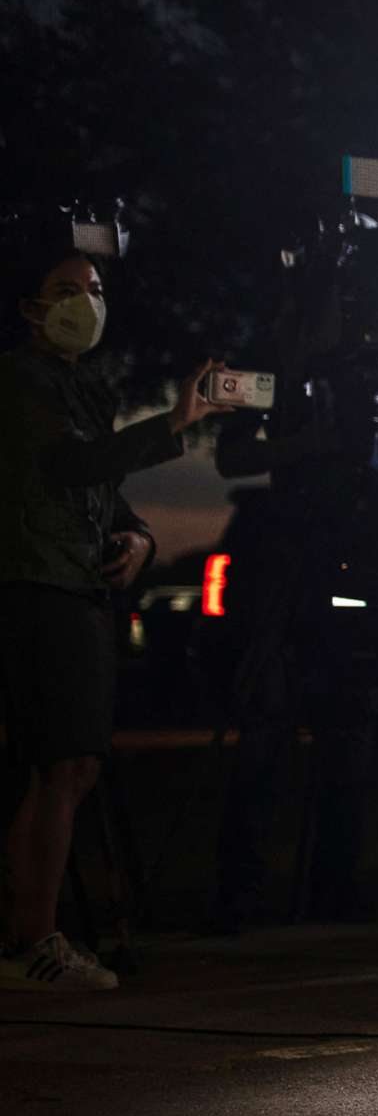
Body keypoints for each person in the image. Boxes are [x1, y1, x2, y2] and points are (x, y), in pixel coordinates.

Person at [2, 245, 232, 989]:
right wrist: (173, 424)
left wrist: (139, 536)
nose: (87, 303)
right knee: (60, 764)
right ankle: (29, 942)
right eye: (67, 289)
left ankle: (30, 938)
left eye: (96, 288)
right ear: (29, 307)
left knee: (73, 766)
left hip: (78, 586)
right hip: (37, 584)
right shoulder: (19, 380)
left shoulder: (80, 384)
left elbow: (98, 489)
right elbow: (67, 467)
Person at [210, 251, 378, 927]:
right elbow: (232, 453)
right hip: (288, 545)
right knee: (268, 719)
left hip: (363, 545)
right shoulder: (275, 353)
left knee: (352, 719)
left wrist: (370, 361)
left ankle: (336, 883)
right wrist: (304, 442)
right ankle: (241, 888)